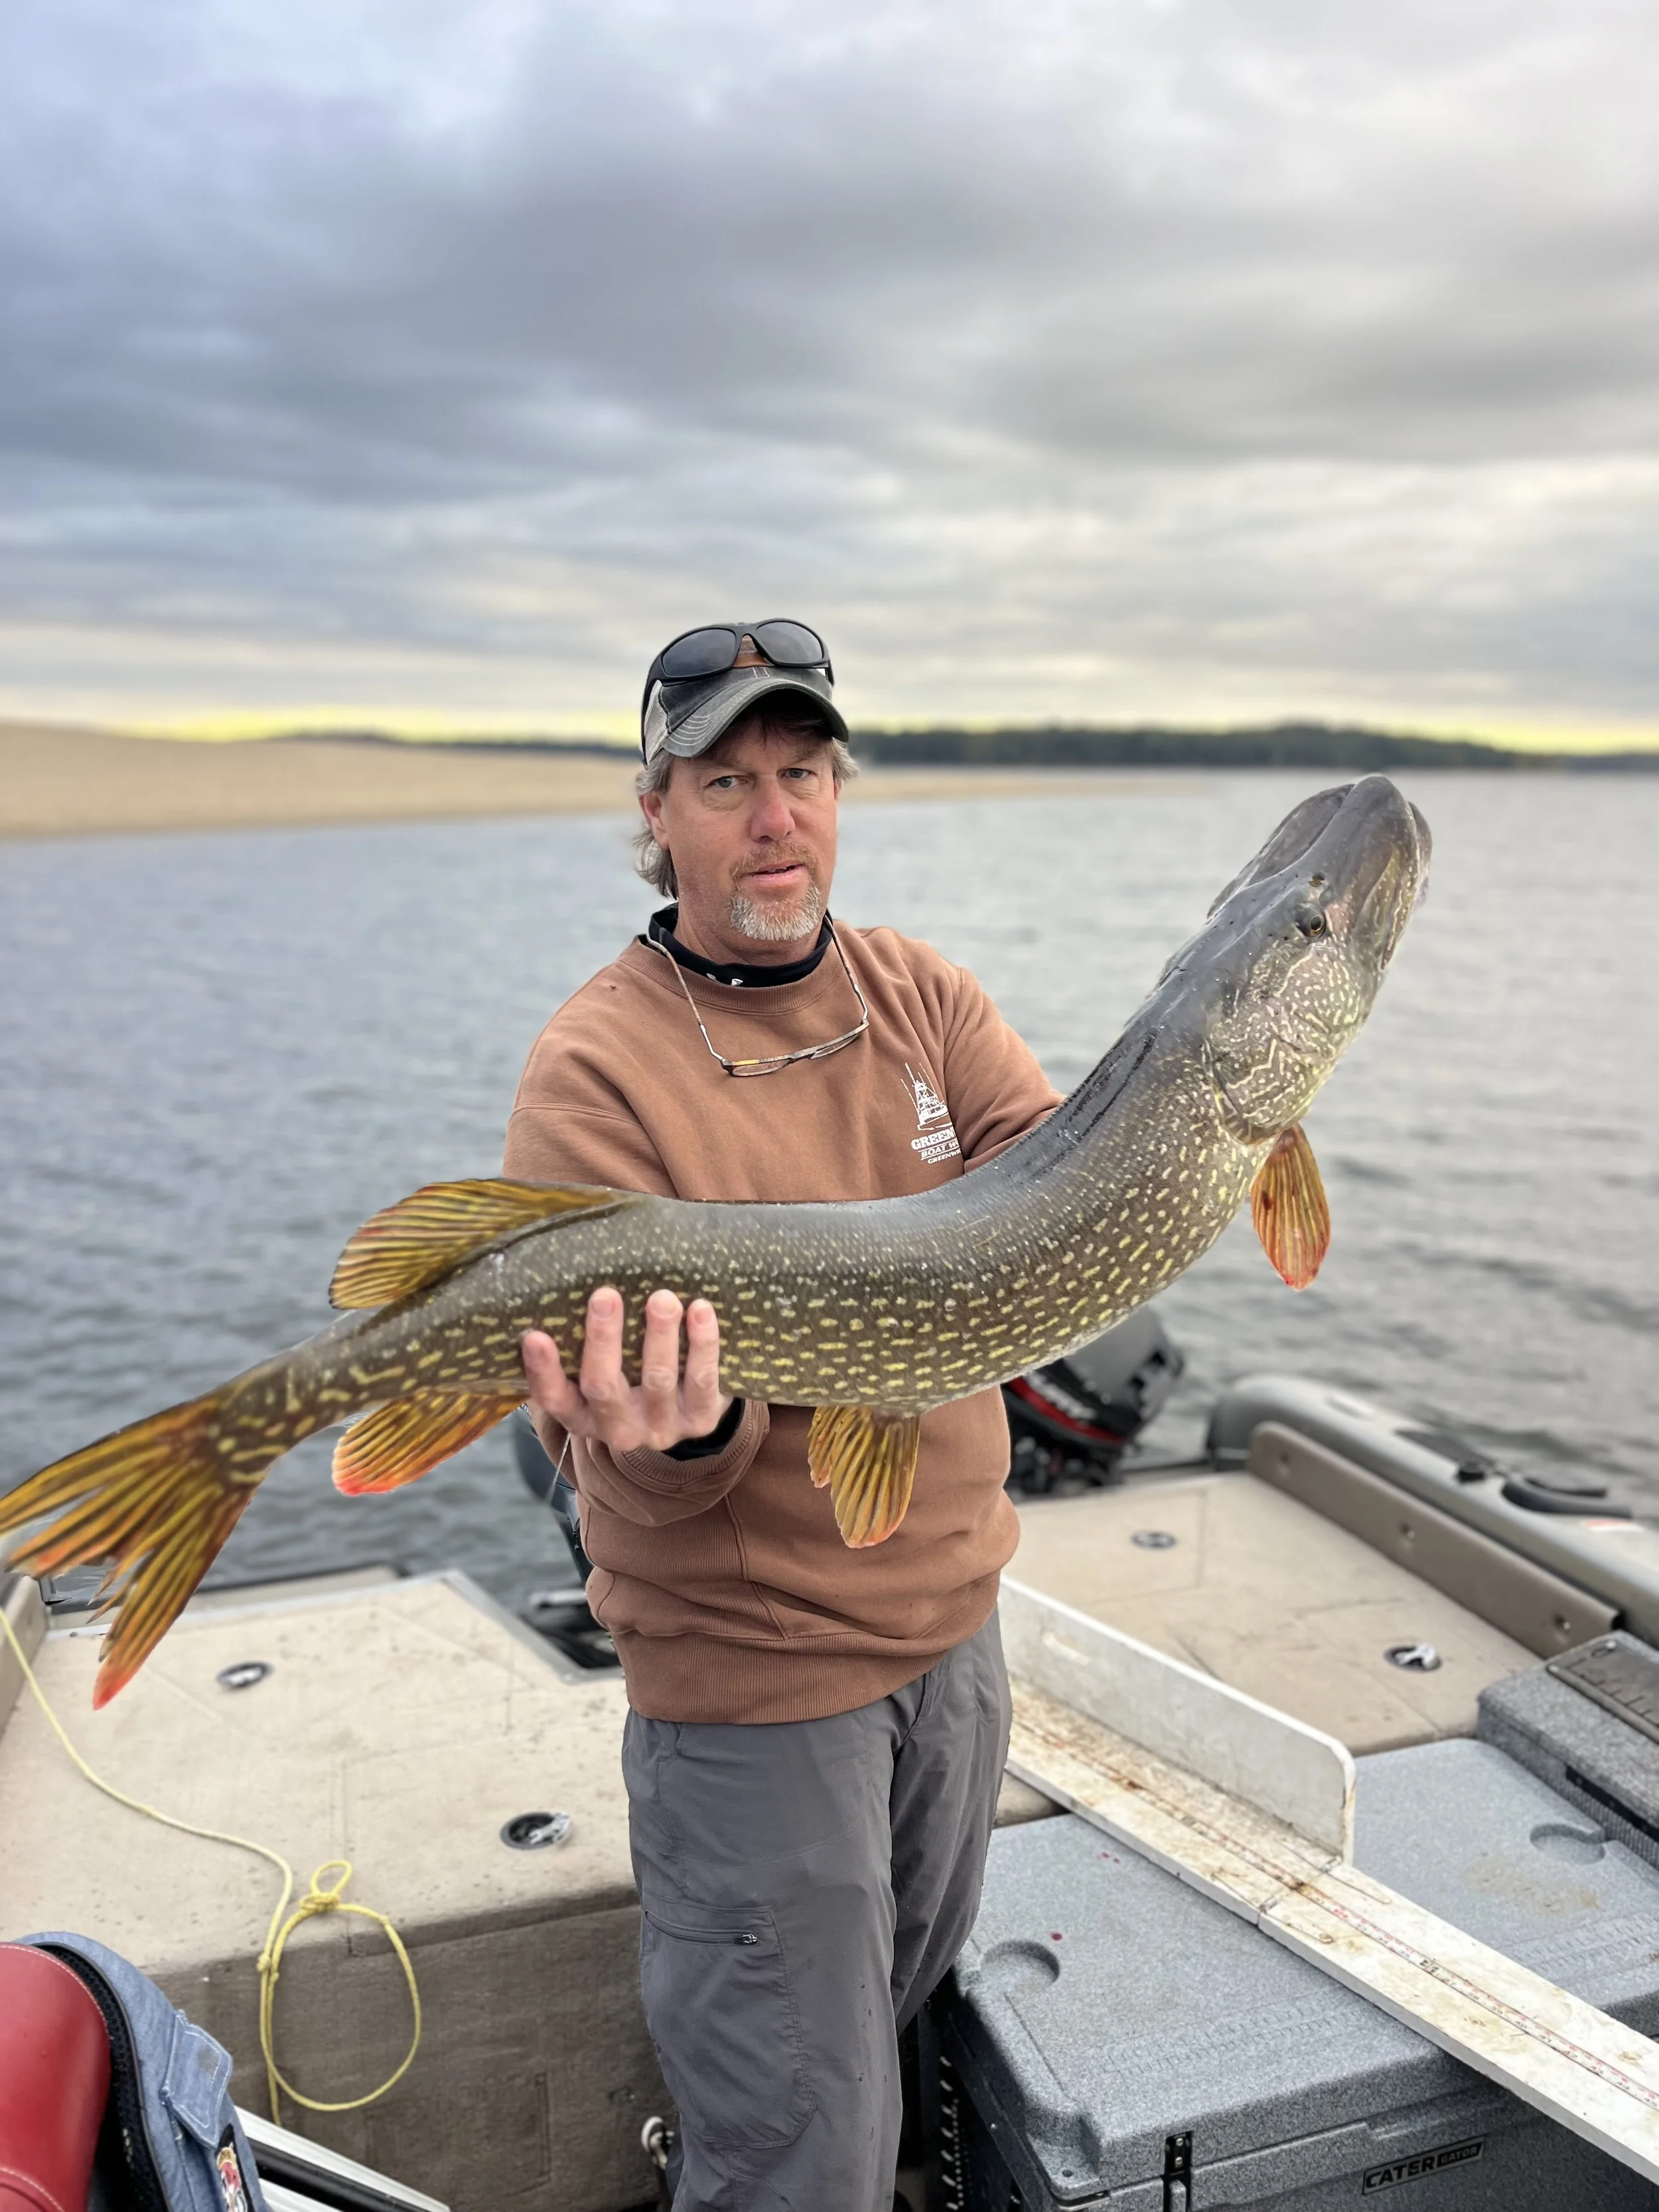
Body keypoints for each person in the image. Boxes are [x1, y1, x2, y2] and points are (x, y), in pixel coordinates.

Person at [504, 621, 1060, 2211]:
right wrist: (671, 1432)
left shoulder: (917, 992)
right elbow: (593, 1446)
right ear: (658, 810)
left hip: (950, 1640)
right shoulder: (597, 1066)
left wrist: (1222, 1109)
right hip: (756, 1699)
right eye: (728, 780)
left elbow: (1053, 1171)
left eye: (803, 774)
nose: (775, 816)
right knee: (790, 2148)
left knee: (883, 2049)